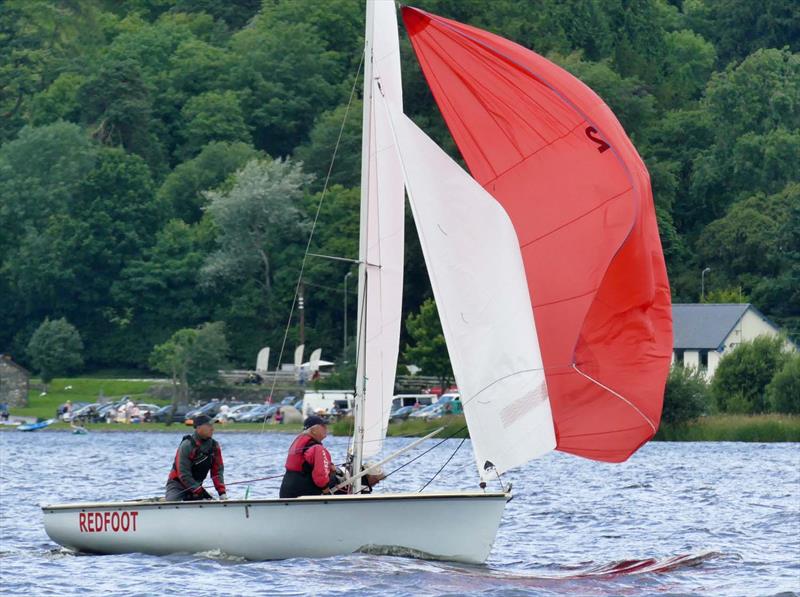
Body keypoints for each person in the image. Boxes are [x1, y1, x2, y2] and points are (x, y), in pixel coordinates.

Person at [165, 415, 227, 502]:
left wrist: (222, 493)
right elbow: (183, 474)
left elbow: (217, 472)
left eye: (213, 426)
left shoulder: (214, 446)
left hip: (197, 487)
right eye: (209, 426)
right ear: (198, 428)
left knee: (209, 501)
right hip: (177, 485)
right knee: (172, 503)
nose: (212, 429)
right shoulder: (187, 445)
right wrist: (199, 491)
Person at [279, 415, 336, 498]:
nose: (326, 428)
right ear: (314, 430)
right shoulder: (317, 448)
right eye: (323, 426)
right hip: (303, 493)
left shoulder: (298, 442)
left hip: (286, 491)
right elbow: (320, 478)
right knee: (334, 478)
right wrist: (327, 493)